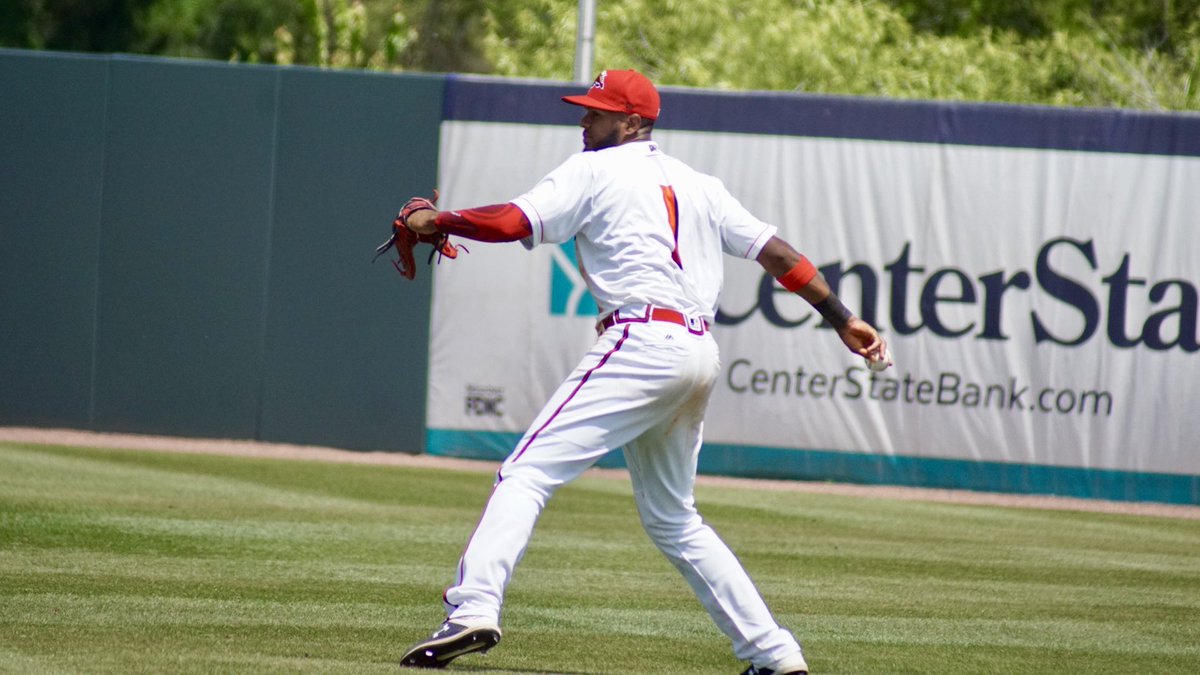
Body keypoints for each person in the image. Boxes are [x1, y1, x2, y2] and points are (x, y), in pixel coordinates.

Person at [397, 69, 889, 675]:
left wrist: (436, 221)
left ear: (632, 123)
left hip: (639, 341)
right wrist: (842, 318)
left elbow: (512, 223)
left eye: (597, 113)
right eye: (586, 109)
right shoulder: (699, 183)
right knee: (674, 519)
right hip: (697, 352)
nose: (584, 120)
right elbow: (779, 256)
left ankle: (472, 608)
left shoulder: (594, 170)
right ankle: (776, 655)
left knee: (525, 472)